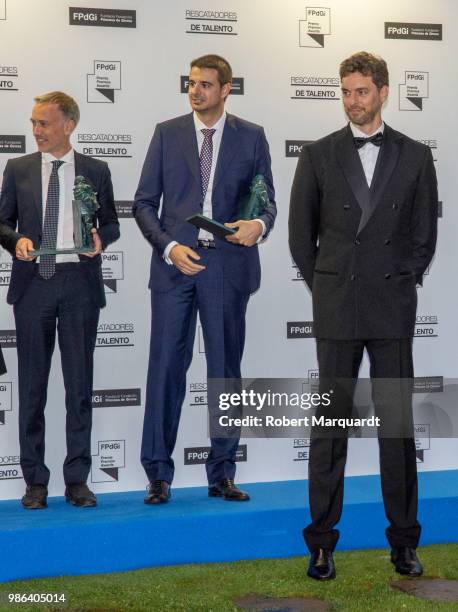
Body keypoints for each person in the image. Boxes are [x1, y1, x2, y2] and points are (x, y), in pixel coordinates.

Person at [289, 52, 438, 580]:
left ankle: (403, 542)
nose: (353, 101)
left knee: (396, 430)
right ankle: (322, 544)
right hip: (337, 308)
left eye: (362, 92)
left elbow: (425, 238)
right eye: (346, 92)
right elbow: (300, 238)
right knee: (330, 428)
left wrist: (398, 281)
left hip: (391, 308)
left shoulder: (417, 157)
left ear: (383, 92)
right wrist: (327, 286)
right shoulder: (319, 154)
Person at [134, 54, 276, 504]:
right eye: (191, 83)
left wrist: (260, 225)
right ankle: (158, 474)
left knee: (225, 372)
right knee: (166, 369)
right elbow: (142, 204)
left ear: (225, 89)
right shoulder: (166, 133)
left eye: (206, 85)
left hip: (227, 266)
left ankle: (223, 474)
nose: (196, 91)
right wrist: (170, 248)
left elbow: (266, 201)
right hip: (176, 266)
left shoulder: (251, 137)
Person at [0, 91, 120, 509]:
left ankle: (77, 480)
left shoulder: (96, 169)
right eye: (33, 122)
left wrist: (100, 239)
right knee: (32, 389)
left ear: (68, 125)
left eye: (44, 123)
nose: (36, 130)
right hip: (33, 287)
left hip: (79, 287)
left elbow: (111, 223)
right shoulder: (16, 168)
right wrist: (16, 240)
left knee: (79, 389)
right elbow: (2, 222)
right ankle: (35, 482)